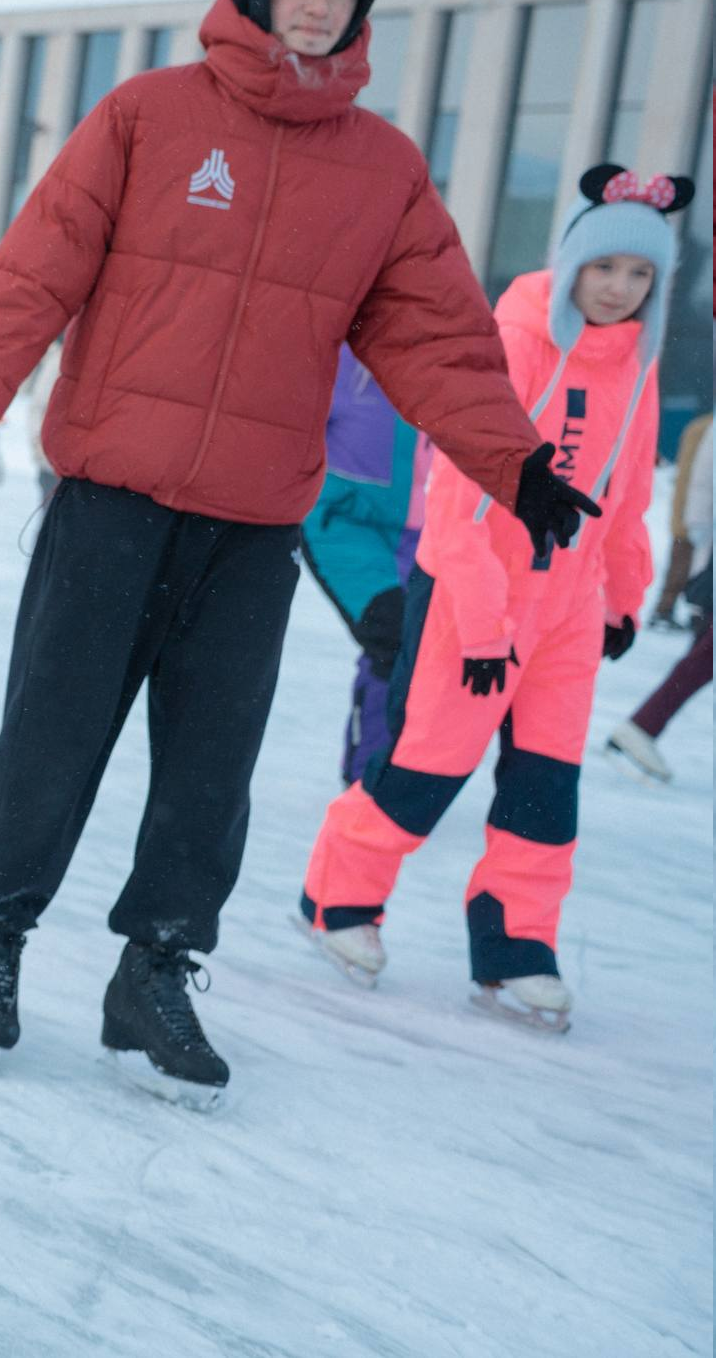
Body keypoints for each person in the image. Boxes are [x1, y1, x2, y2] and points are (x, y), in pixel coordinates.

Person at [0, 0, 585, 1106]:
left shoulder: (381, 169)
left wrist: (513, 463)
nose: (316, 4)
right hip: (111, 495)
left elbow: (436, 339)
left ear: (360, 11)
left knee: (211, 766)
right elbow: (30, 276)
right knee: (53, 732)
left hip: (254, 521)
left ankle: (153, 973)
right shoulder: (147, 115)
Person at [298, 167, 681, 1030]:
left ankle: (517, 947)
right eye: (605, 267)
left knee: (546, 784)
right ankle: (338, 896)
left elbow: (625, 493)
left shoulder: (638, 361)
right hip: (477, 590)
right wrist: (477, 625)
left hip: (569, 609)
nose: (619, 289)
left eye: (640, 274)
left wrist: (623, 595)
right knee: (427, 763)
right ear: (573, 262)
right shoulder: (515, 339)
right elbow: (459, 494)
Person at [299, 349, 425, 784]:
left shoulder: (450, 350)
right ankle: (368, 780)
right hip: (342, 524)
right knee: (393, 637)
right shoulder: (341, 351)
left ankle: (398, 772)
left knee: (426, 653)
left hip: (423, 531)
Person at [606, 408, 711, 783]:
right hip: (706, 553)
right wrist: (695, 541)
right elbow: (698, 494)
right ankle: (640, 728)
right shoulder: (707, 430)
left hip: (705, 553)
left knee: (701, 659)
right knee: (702, 659)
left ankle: (642, 727)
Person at [650, 410, 712, 628]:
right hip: (695, 512)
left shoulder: (699, 427)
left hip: (690, 509)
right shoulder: (706, 429)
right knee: (686, 566)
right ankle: (668, 611)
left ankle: (673, 610)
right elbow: (697, 478)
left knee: (685, 565)